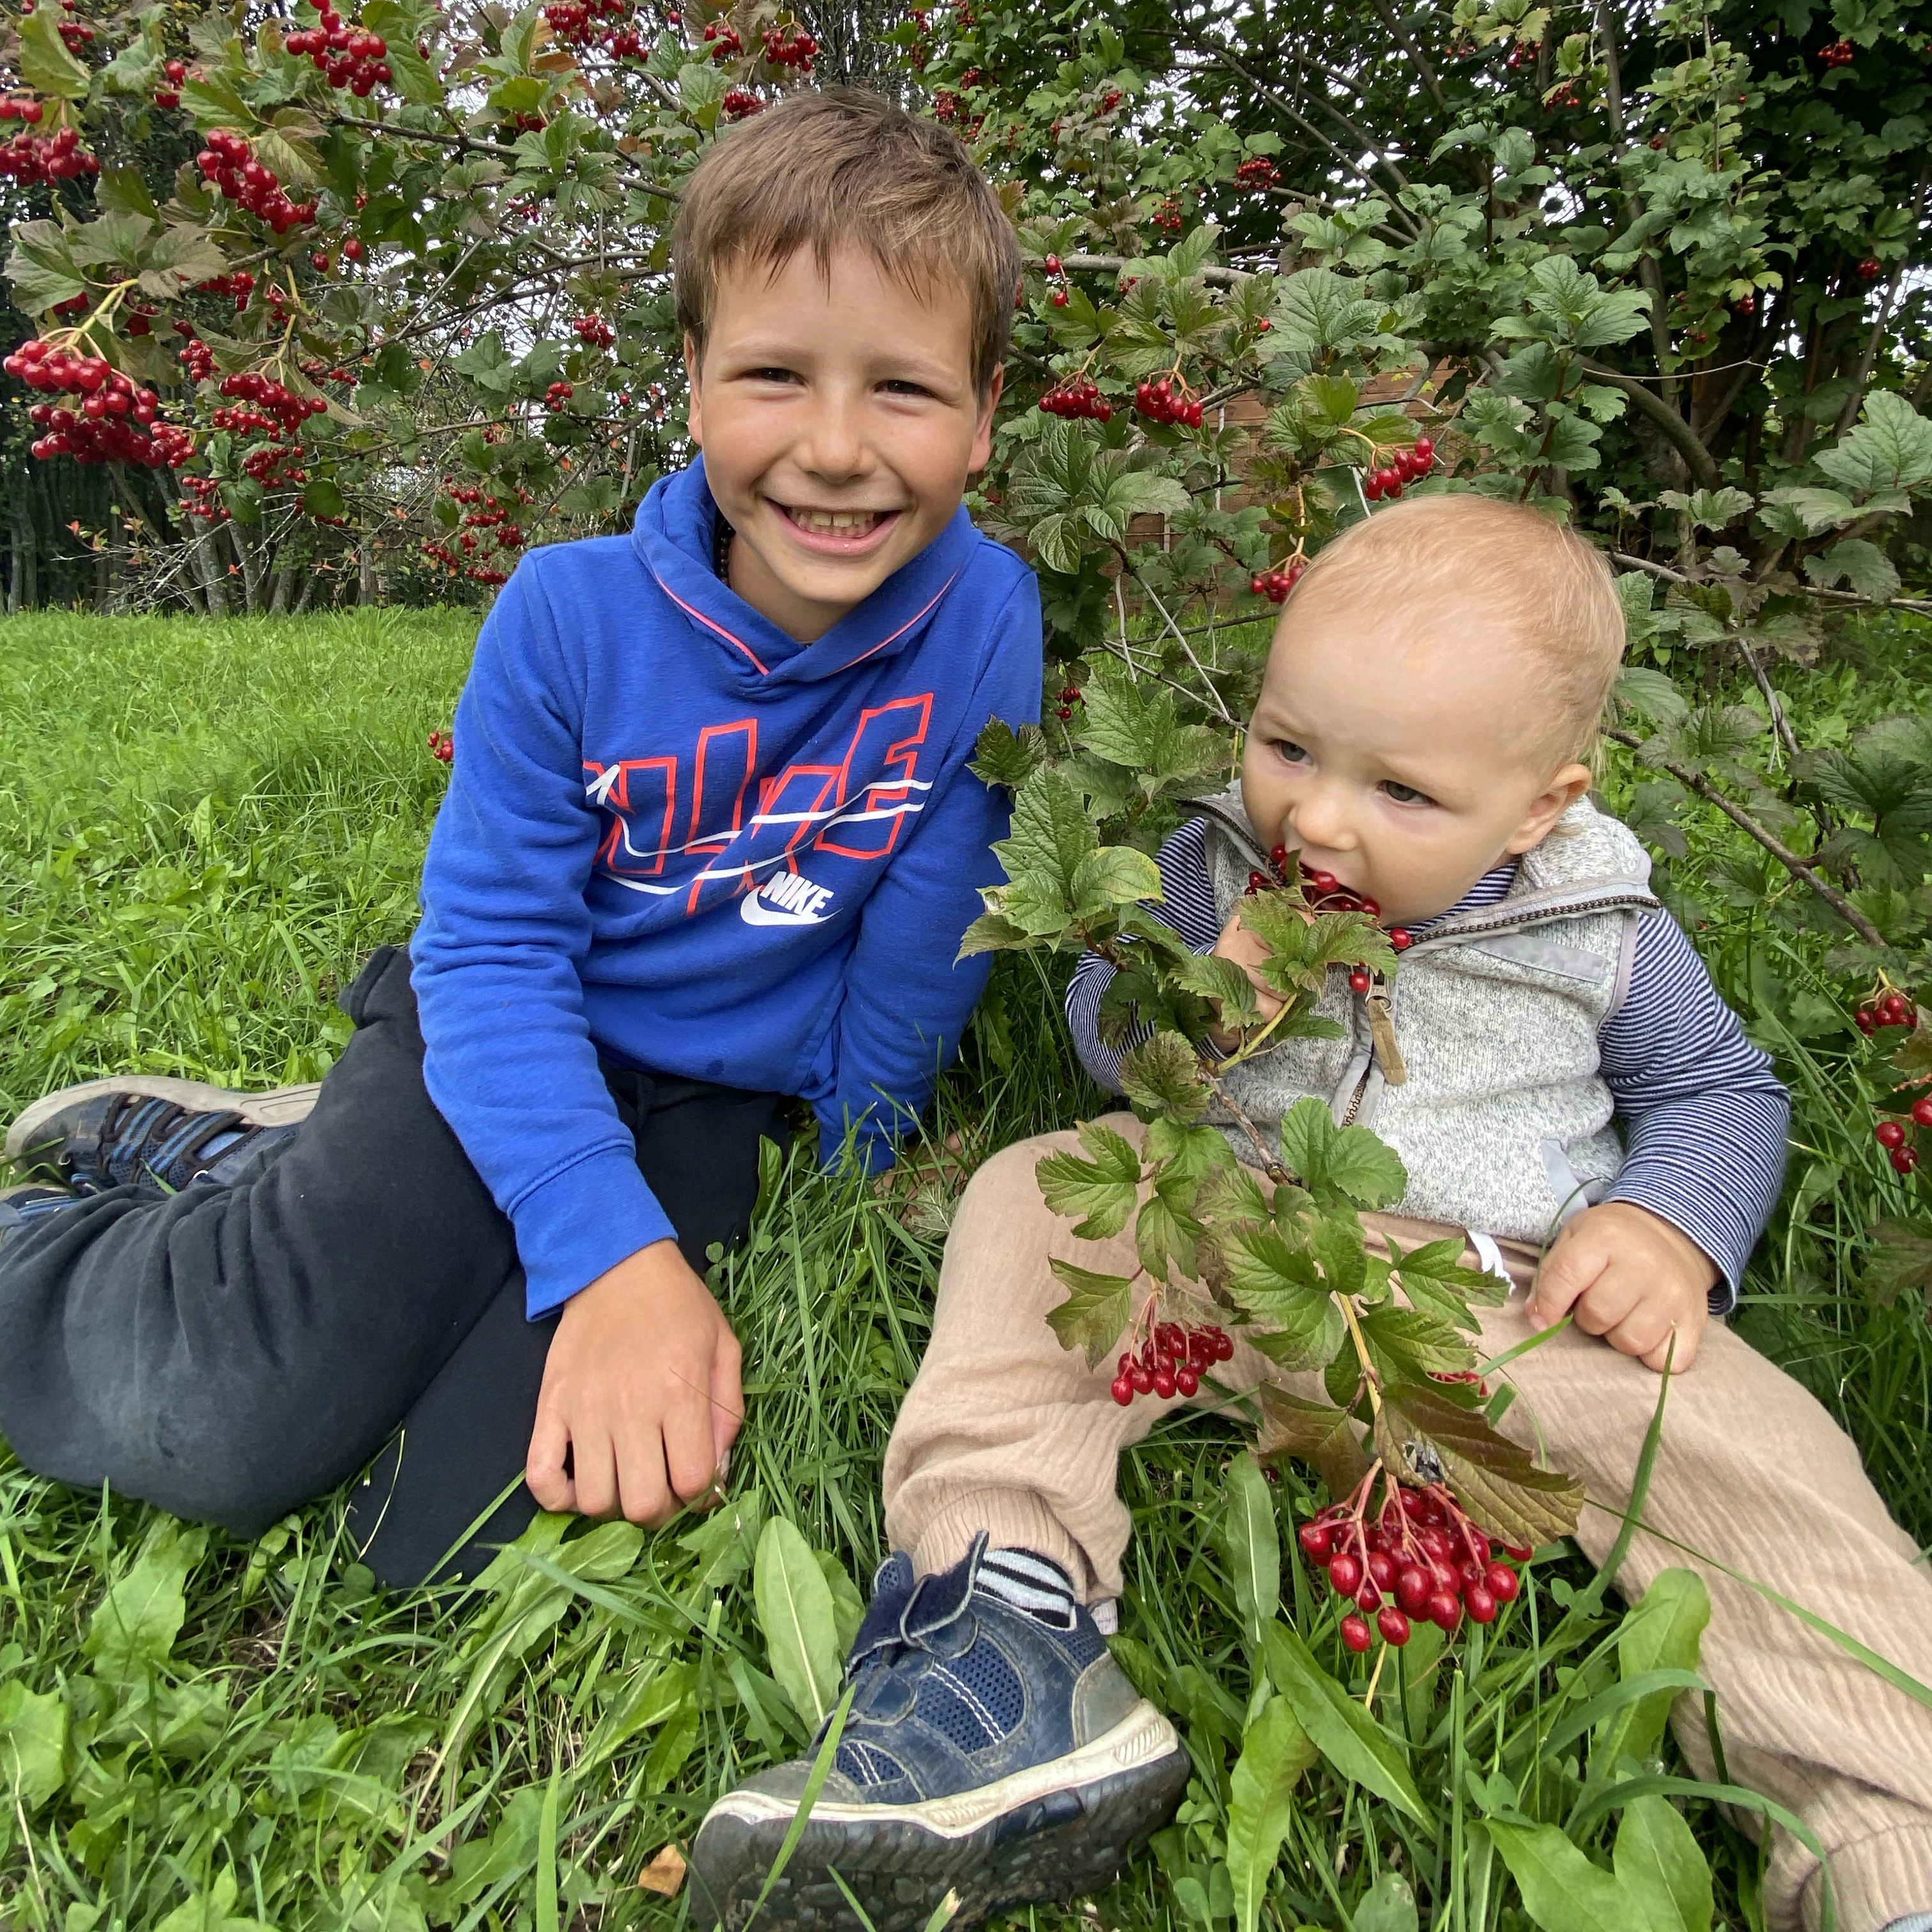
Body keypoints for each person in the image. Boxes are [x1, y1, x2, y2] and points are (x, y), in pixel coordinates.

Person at [688, 499, 1932, 1932]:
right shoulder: (1213, 861)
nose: (1318, 817)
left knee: (1754, 1456)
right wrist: (1199, 997)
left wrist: (1669, 1226)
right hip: (1219, 1226)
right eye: (1287, 748)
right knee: (1039, 1197)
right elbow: (1107, 1017)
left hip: (1500, 1296)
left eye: (1404, 793)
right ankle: (1002, 1624)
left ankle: (1887, 1837)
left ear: (1542, 804)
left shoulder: (1604, 926)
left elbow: (1722, 1088)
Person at [0, 88, 1041, 1592]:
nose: (833, 448)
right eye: (772, 374)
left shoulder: (989, 616)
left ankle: (247, 1159)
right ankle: (73, 1236)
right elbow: (493, 950)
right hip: (497, 1029)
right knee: (229, 1422)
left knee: (444, 1533)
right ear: (691, 382)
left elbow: (934, 905)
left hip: (713, 1097)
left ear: (987, 412)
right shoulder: (565, 618)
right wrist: (610, 1253)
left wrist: (862, 1147)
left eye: (903, 389)